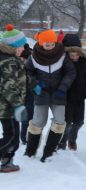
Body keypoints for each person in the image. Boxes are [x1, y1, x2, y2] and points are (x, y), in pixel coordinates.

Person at [24, 29, 76, 162]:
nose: (50, 47)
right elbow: (27, 72)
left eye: (52, 44)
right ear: (41, 44)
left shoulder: (62, 55)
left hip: (58, 94)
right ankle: (30, 152)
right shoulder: (34, 57)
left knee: (59, 122)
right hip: (41, 94)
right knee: (37, 123)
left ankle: (48, 152)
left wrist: (63, 88)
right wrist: (35, 84)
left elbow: (70, 72)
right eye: (47, 45)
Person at [58, 34, 86, 150]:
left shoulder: (85, 61)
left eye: (77, 54)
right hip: (66, 98)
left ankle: (72, 138)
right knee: (67, 122)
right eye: (71, 54)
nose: (74, 57)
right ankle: (62, 142)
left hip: (80, 96)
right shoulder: (62, 63)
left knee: (79, 122)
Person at [0, 24, 27, 172]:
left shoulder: (10, 59)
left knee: (12, 137)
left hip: (9, 106)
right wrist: (17, 104)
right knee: (11, 137)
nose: (23, 48)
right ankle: (5, 161)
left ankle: (7, 162)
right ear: (13, 46)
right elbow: (8, 86)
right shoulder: (8, 62)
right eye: (21, 46)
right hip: (7, 107)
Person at [20, 43, 34, 145]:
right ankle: (24, 138)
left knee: (30, 117)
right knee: (25, 118)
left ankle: (27, 137)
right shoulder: (19, 67)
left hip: (31, 95)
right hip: (23, 95)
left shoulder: (30, 67)